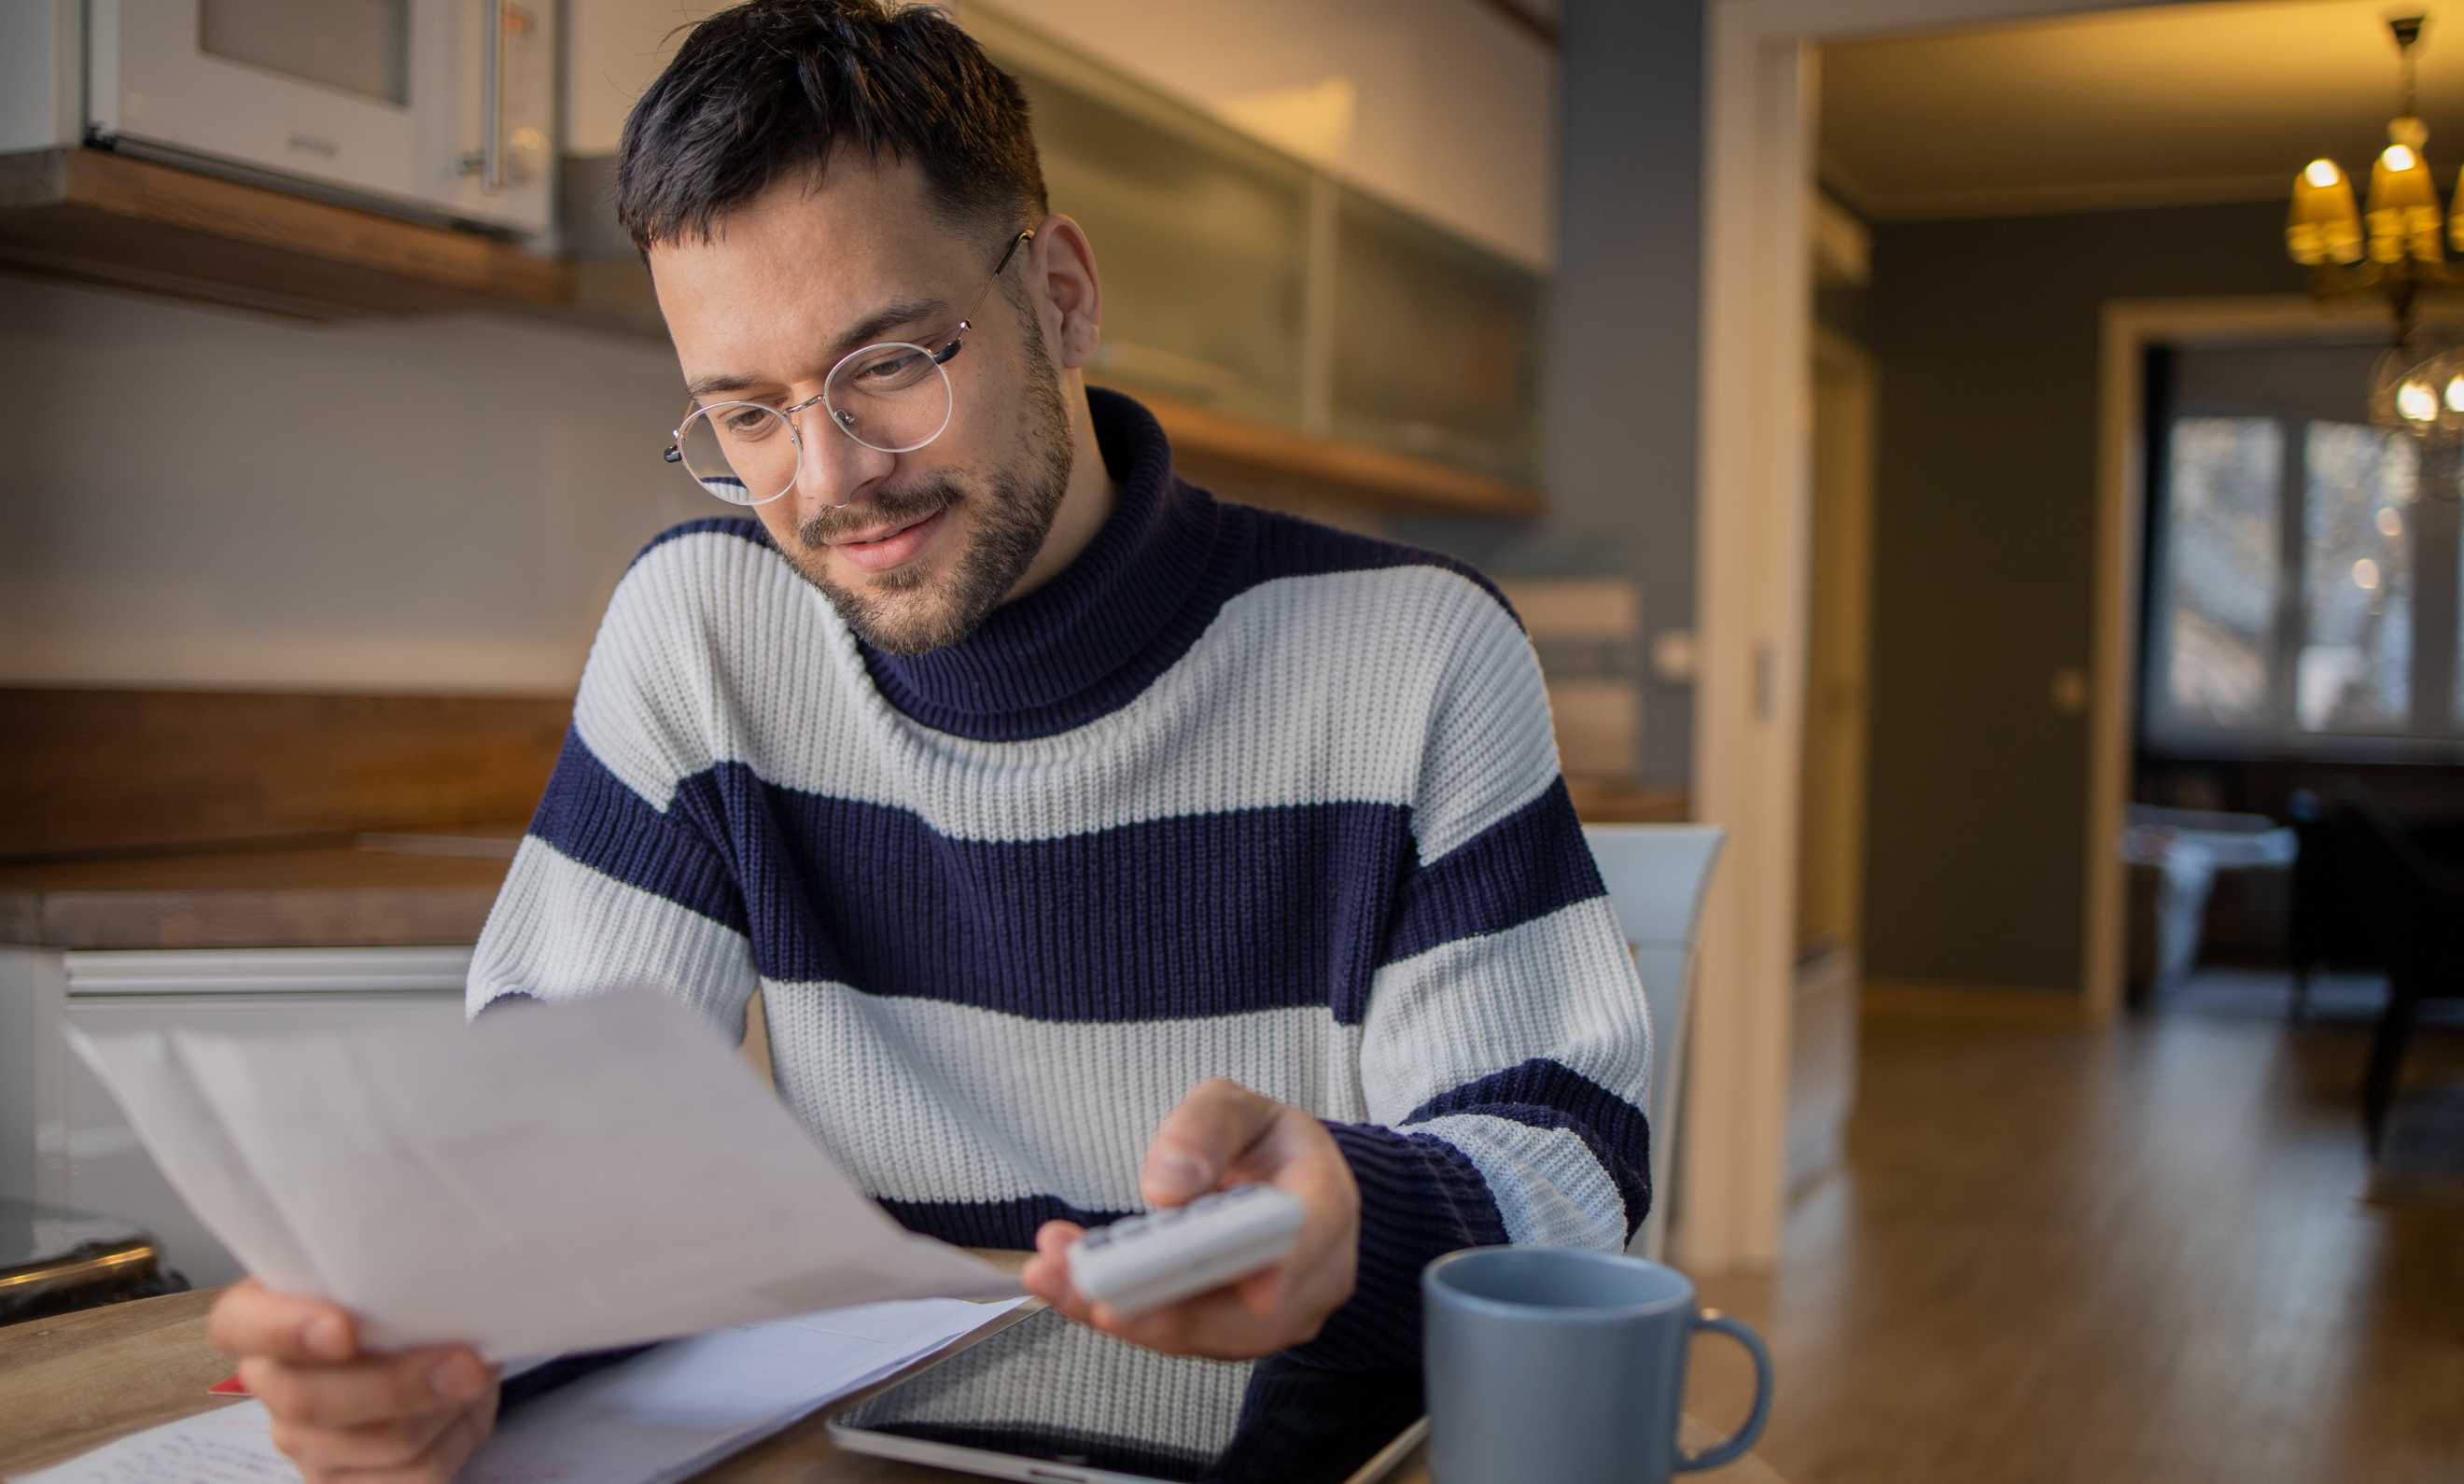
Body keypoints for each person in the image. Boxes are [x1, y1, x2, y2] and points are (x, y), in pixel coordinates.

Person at [204, 3, 1654, 1477]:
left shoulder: (1413, 650)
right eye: (748, 414)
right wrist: (453, 1342)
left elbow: (1568, 1166)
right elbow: (567, 1153)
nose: (832, 479)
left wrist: (1354, 1211)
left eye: (890, 361)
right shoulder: (705, 634)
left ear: (1066, 295)